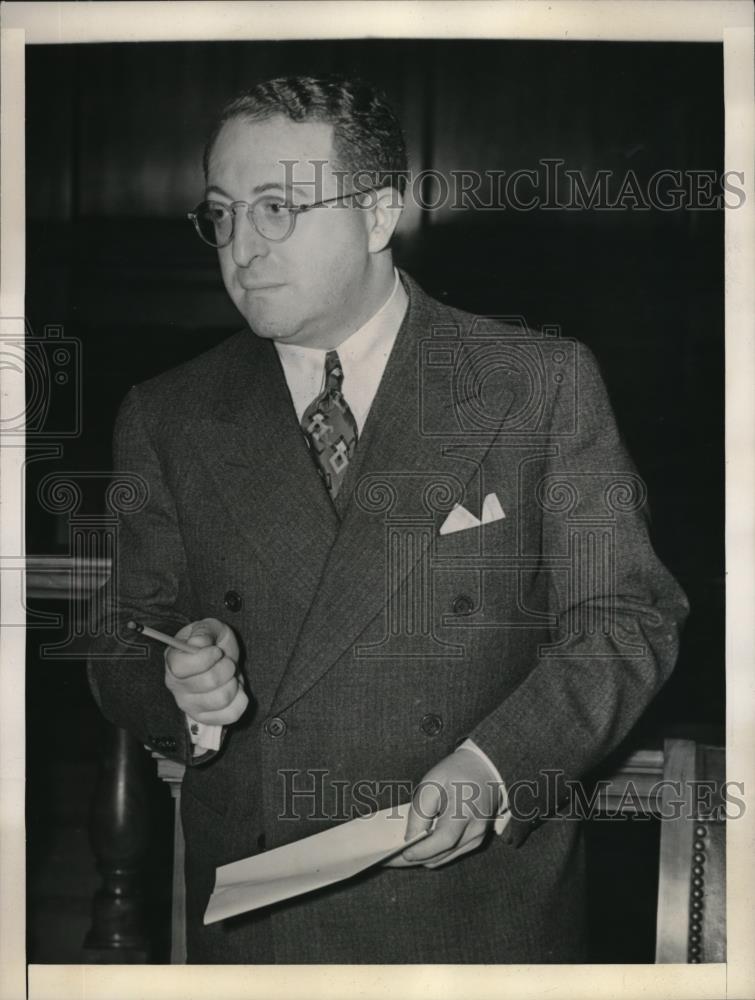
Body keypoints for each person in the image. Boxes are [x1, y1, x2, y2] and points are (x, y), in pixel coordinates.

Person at [88, 74, 689, 964]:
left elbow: (626, 620)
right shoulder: (169, 412)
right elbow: (117, 639)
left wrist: (497, 766)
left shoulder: (535, 383)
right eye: (221, 213)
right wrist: (182, 688)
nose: (242, 247)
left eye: (277, 207)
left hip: (475, 910)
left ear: (377, 214)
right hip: (260, 922)